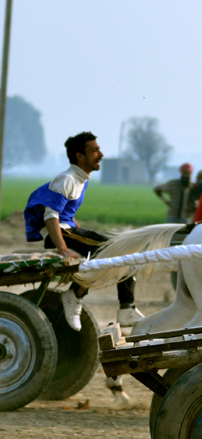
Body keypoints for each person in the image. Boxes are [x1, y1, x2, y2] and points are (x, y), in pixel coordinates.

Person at [22, 132, 142, 330]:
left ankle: (126, 307)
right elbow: (50, 216)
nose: (100, 154)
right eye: (94, 150)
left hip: (69, 230)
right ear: (80, 156)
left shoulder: (80, 178)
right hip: (61, 235)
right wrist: (62, 248)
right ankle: (76, 295)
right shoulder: (67, 179)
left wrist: (80, 230)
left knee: (122, 246)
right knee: (112, 249)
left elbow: (65, 212)